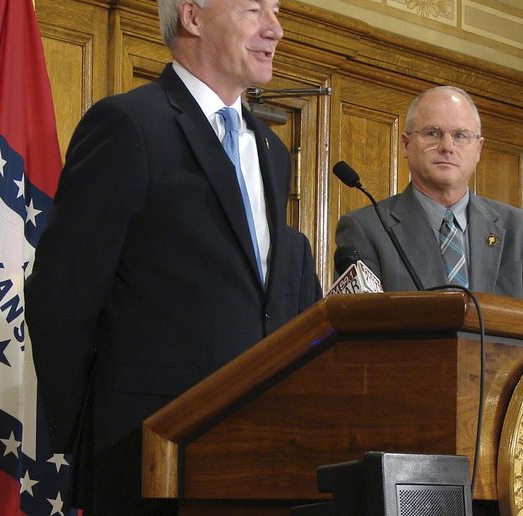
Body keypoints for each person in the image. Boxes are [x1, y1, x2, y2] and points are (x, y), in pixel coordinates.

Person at [25, 0, 322, 513]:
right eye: (255, 10)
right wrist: (91, 433)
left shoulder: (272, 150)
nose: (276, 28)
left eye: (275, 10)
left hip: (259, 452)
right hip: (146, 453)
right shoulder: (129, 124)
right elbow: (62, 295)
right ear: (192, 16)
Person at [335, 86, 523, 302]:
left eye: (460, 135)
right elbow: (360, 328)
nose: (447, 146)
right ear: (406, 144)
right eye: (433, 133)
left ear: (478, 149)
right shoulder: (367, 228)